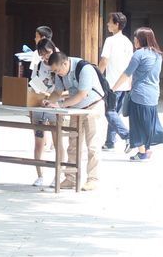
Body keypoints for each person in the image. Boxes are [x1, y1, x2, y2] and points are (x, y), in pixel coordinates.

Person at [46, 51, 108, 190]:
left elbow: (82, 94)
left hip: (93, 106)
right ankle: (71, 178)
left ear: (65, 63)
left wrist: (60, 105)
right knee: (73, 144)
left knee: (92, 145)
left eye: (58, 70)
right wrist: (48, 102)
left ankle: (93, 179)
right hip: (75, 108)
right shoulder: (59, 73)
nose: (57, 73)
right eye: (54, 71)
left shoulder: (84, 68)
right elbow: (57, 92)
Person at [114, 27, 163, 160]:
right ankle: (147, 149)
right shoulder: (158, 55)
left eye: (136, 39)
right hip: (154, 94)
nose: (134, 41)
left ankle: (143, 152)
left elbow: (127, 73)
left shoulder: (139, 54)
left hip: (139, 94)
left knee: (137, 123)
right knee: (147, 123)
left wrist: (113, 88)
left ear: (141, 40)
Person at [98, 12, 133, 150]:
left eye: (110, 22)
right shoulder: (128, 42)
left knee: (109, 112)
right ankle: (109, 142)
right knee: (115, 113)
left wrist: (97, 75)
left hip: (112, 83)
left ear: (116, 24)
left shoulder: (110, 41)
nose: (107, 24)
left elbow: (104, 61)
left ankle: (127, 136)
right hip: (125, 83)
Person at [30, 38, 59, 187]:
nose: (46, 57)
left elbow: (64, 89)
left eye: (47, 52)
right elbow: (34, 84)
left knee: (57, 141)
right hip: (40, 105)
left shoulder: (60, 63)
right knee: (38, 141)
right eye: (42, 54)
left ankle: (57, 175)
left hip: (55, 106)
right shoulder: (39, 65)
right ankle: (39, 175)